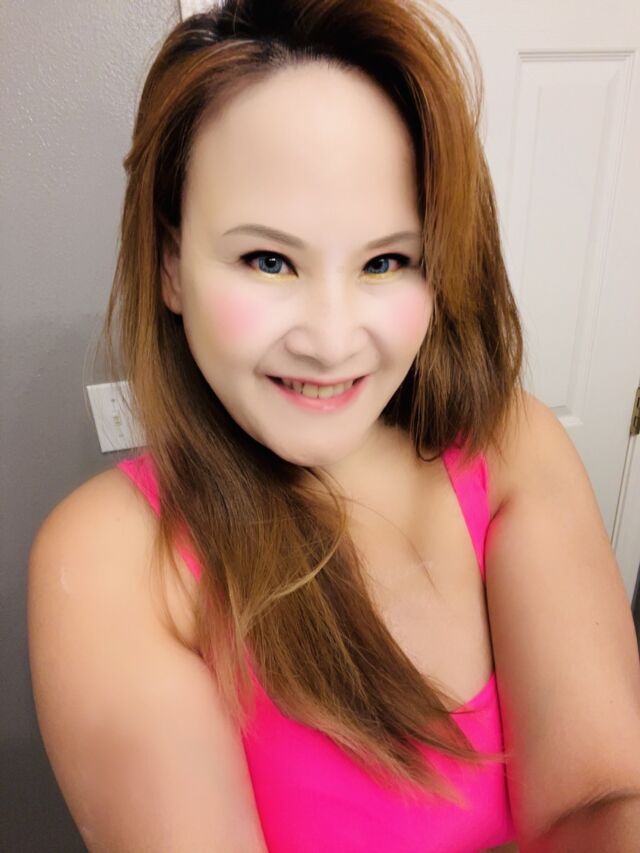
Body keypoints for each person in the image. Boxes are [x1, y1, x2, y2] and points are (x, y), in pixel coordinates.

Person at [27, 1, 640, 851]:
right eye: (268, 259)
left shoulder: (511, 447)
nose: (331, 338)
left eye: (385, 261)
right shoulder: (113, 558)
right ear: (170, 264)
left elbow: (597, 798)